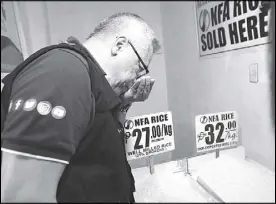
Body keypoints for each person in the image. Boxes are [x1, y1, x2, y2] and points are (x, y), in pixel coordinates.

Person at [1, 12, 161, 202]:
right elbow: (23, 196)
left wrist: (124, 104)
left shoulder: (91, 81)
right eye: (139, 67)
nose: (136, 79)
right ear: (119, 46)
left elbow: (96, 142)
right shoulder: (64, 73)